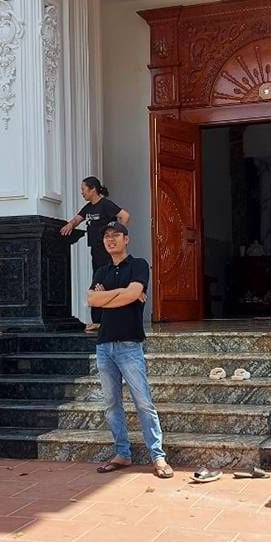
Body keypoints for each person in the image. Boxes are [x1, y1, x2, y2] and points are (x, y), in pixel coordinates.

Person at [87, 221, 173, 479]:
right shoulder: (101, 271)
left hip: (129, 345)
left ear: (126, 239)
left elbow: (133, 293)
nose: (110, 239)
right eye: (106, 236)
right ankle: (122, 453)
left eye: (116, 235)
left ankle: (157, 456)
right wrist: (122, 294)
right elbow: (92, 302)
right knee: (112, 404)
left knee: (143, 403)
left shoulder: (138, 265)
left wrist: (110, 296)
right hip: (104, 346)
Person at [60, 176, 130, 333]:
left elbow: (125, 216)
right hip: (96, 252)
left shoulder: (105, 204)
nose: (82, 192)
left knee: (109, 283)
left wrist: (118, 236)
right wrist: (69, 225)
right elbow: (77, 219)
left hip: (107, 252)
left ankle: (108, 320)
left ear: (93, 189)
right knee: (97, 284)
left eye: (83, 189)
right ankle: (98, 320)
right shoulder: (88, 208)